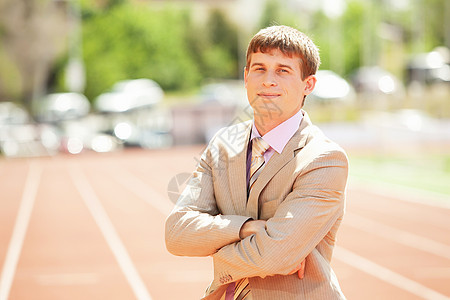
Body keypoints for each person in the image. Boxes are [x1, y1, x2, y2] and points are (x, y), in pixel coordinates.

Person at [165, 25, 348, 300]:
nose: (268, 81)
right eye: (259, 69)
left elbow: (275, 255)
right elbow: (177, 232)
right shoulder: (222, 145)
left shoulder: (324, 159)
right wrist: (246, 227)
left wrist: (215, 251)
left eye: (283, 70)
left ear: (308, 84)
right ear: (246, 76)